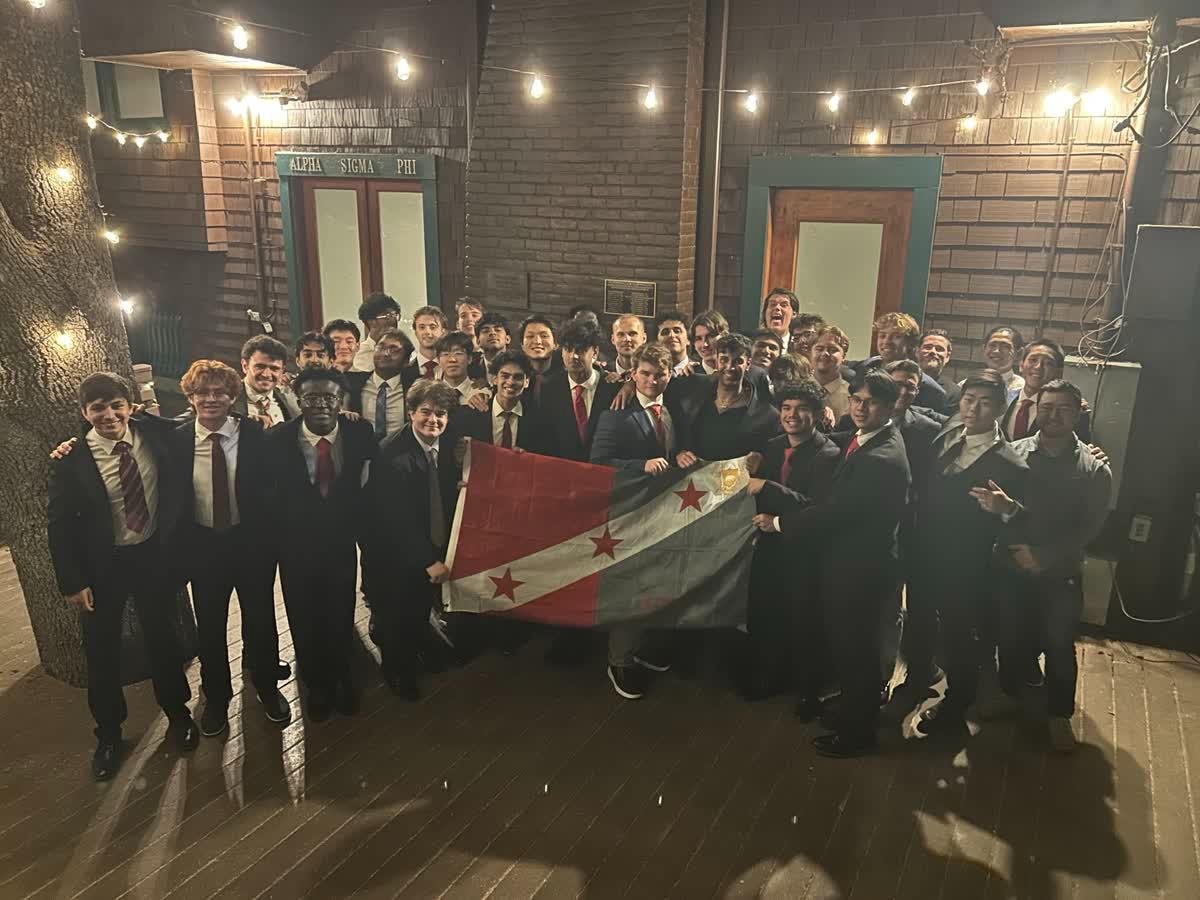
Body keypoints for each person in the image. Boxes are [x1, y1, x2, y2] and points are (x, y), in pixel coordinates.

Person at [752, 371, 910, 757]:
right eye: (856, 399)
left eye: (870, 402)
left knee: (855, 651)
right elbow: (843, 442)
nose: (860, 408)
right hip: (850, 561)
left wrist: (779, 523)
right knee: (849, 647)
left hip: (858, 567)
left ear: (891, 407)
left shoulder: (882, 458)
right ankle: (853, 714)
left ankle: (857, 735)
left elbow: (837, 512)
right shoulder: (869, 438)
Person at [47, 372, 196, 780]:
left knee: (163, 637)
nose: (109, 415)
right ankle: (109, 734)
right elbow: (59, 525)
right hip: (102, 567)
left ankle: (178, 713)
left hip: (152, 557)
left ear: (131, 407)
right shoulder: (71, 459)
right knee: (102, 650)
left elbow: (193, 422)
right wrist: (73, 581)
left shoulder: (155, 433)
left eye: (117, 405)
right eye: (98, 408)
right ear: (84, 412)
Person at [970, 380, 1112, 753]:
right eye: (1046, 407)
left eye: (1063, 409)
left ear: (1078, 413)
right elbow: (995, 509)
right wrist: (1012, 533)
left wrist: (1045, 555)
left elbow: (1089, 528)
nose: (1053, 416)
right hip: (1010, 566)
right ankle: (1014, 696)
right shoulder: (1011, 454)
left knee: (1059, 644)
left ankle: (1058, 715)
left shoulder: (1094, 468)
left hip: (1060, 572)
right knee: (1010, 637)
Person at [172, 361, 290, 736]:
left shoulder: (254, 433)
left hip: (250, 543)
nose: (211, 399)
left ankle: (267, 687)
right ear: (190, 397)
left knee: (261, 619)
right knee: (210, 626)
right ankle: (217, 698)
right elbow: (127, 425)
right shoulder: (175, 438)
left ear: (232, 396)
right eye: (202, 392)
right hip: (204, 546)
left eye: (219, 392)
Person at [911, 370, 1028, 737]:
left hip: (966, 565)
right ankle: (915, 684)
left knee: (960, 637)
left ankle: (956, 706)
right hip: (924, 551)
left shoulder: (1010, 462)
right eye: (968, 399)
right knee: (919, 621)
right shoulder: (949, 430)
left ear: (1001, 408)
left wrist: (1007, 509)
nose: (973, 409)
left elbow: (1026, 520)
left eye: (985, 403)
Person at [264, 366, 375, 722]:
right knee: (303, 615)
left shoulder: (360, 432)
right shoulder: (277, 440)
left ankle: (343, 675)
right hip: (294, 546)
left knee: (341, 611)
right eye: (311, 397)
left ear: (341, 400)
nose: (321, 405)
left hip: (342, 541)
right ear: (298, 400)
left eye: (329, 397)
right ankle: (317, 684)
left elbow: (372, 480)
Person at [590, 343, 682, 699]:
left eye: (659, 374)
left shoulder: (675, 410)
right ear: (633, 374)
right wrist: (639, 466)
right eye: (644, 373)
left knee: (658, 583)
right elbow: (598, 462)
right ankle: (620, 660)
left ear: (669, 375)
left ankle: (643, 649)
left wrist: (683, 454)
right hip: (629, 515)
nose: (651, 381)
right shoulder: (616, 415)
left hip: (666, 514)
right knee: (632, 587)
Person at [742, 379, 839, 705]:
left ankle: (808, 690)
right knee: (767, 613)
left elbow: (817, 507)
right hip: (768, 547)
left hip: (803, 550)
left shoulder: (828, 454)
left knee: (803, 619)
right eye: (786, 408)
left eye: (801, 409)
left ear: (817, 414)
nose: (792, 415)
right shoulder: (771, 446)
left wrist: (767, 486)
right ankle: (770, 676)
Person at [364, 380, 463, 700]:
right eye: (425, 412)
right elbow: (397, 519)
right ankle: (397, 673)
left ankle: (418, 652)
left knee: (419, 608)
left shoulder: (449, 443)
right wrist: (428, 560)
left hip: (428, 541)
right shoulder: (391, 454)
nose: (433, 420)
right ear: (410, 412)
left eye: (440, 414)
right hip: (393, 552)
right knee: (397, 614)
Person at [675, 332, 779, 466]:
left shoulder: (766, 416)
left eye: (738, 361)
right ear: (716, 361)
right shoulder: (692, 393)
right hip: (693, 477)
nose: (730, 367)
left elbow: (773, 460)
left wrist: (761, 461)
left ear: (748, 364)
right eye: (724, 360)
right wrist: (680, 454)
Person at [539, 318, 621, 462]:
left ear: (595, 352)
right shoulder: (549, 388)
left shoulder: (613, 387)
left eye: (581, 350)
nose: (574, 356)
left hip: (603, 469)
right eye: (568, 350)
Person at [455, 349, 545, 452]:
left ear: (526, 382)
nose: (510, 382)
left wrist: (527, 457)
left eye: (518, 377)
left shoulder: (539, 419)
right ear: (495, 379)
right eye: (505, 376)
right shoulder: (470, 414)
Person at [852, 313, 946, 411]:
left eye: (896, 336)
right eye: (882, 336)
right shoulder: (861, 369)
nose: (887, 341)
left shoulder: (929, 388)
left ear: (911, 343)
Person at [1002, 339, 1091, 442]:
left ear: (1059, 372)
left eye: (1048, 363)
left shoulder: (1073, 410)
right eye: (1033, 360)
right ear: (1021, 365)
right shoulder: (1005, 400)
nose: (1038, 367)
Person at [345, 328, 416, 443]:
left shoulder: (415, 386)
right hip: (361, 449)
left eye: (394, 350)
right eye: (381, 347)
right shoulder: (352, 382)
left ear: (406, 360)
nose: (385, 353)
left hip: (402, 449)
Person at [236, 335, 298, 427]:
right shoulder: (227, 400)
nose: (266, 374)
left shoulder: (290, 402)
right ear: (245, 366)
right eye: (260, 367)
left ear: (282, 370)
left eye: (274, 369)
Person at [436, 331, 490, 405]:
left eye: (458, 353)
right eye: (445, 354)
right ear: (438, 360)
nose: (452, 359)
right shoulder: (430, 394)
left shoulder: (483, 393)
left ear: (469, 359)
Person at [351, 293, 401, 372]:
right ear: (371, 321)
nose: (394, 320)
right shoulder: (357, 355)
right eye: (388, 316)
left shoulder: (404, 351)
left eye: (395, 315)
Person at [811, 327, 853, 421]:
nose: (825, 353)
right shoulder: (796, 390)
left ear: (844, 356)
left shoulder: (851, 396)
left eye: (833, 349)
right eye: (819, 349)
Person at [518, 313, 561, 403]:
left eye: (544, 336)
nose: (537, 341)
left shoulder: (566, 378)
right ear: (522, 345)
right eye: (530, 336)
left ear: (555, 344)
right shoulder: (514, 378)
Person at [973, 325, 1025, 395]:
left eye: (1005, 346)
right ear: (984, 349)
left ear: (1019, 353)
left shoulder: (1023, 390)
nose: (996, 351)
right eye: (992, 345)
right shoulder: (967, 385)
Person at [917, 328, 961, 413]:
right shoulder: (901, 382)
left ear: (947, 356)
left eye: (939, 349)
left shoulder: (954, 393)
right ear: (917, 351)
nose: (932, 351)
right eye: (928, 347)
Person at [409, 305, 449, 380]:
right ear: (416, 333)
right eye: (422, 327)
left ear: (443, 332)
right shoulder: (405, 371)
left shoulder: (453, 367)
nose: (427, 332)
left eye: (432, 327)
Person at [654, 311, 694, 376]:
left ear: (688, 339)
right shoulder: (650, 373)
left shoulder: (700, 371)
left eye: (677, 331)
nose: (671, 335)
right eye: (665, 332)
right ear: (657, 341)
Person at [610, 314, 648, 379]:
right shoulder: (602, 373)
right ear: (613, 339)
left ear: (644, 338)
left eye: (632, 334)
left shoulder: (654, 374)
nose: (627, 339)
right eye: (621, 334)